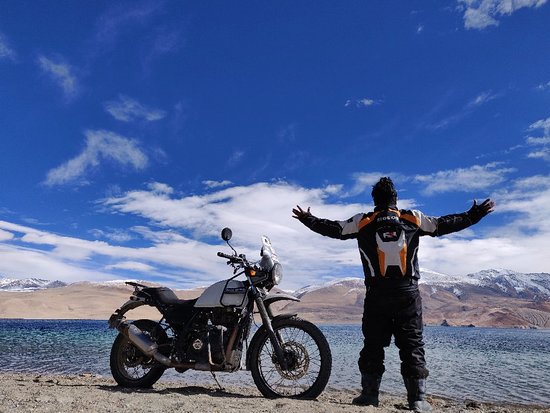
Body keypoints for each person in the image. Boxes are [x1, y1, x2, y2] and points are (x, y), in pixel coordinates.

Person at [292, 177, 494, 412]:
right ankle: (417, 399)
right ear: (395, 199)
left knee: (373, 345)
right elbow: (444, 224)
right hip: (408, 294)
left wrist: (307, 219)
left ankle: (369, 396)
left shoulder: (363, 221)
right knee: (412, 345)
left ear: (374, 200)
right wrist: (473, 215)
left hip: (376, 294)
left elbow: (333, 229)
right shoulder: (412, 218)